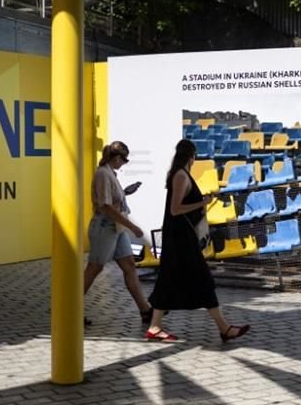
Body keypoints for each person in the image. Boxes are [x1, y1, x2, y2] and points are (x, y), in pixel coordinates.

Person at [145, 139, 251, 343]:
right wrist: (203, 202)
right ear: (192, 156)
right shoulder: (181, 176)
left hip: (179, 237)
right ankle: (224, 328)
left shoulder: (180, 175)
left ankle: (155, 327)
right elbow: (176, 210)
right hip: (180, 239)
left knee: (168, 280)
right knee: (202, 280)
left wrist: (201, 201)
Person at [84, 141, 153, 325]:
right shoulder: (103, 174)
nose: (124, 164)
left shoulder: (109, 174)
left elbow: (111, 200)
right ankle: (69, 308)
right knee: (94, 267)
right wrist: (132, 226)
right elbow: (105, 206)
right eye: (124, 160)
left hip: (115, 227)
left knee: (129, 265)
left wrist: (125, 193)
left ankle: (145, 310)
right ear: (117, 158)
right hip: (105, 227)